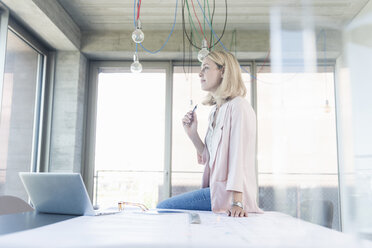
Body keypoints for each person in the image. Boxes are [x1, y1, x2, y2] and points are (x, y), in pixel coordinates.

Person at [157, 51, 263, 217]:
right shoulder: (215, 111)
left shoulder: (238, 106)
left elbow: (238, 157)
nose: (200, 73)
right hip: (215, 190)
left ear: (223, 71)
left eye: (206, 68)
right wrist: (192, 134)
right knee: (165, 208)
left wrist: (237, 202)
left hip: (230, 196)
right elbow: (209, 158)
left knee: (164, 207)